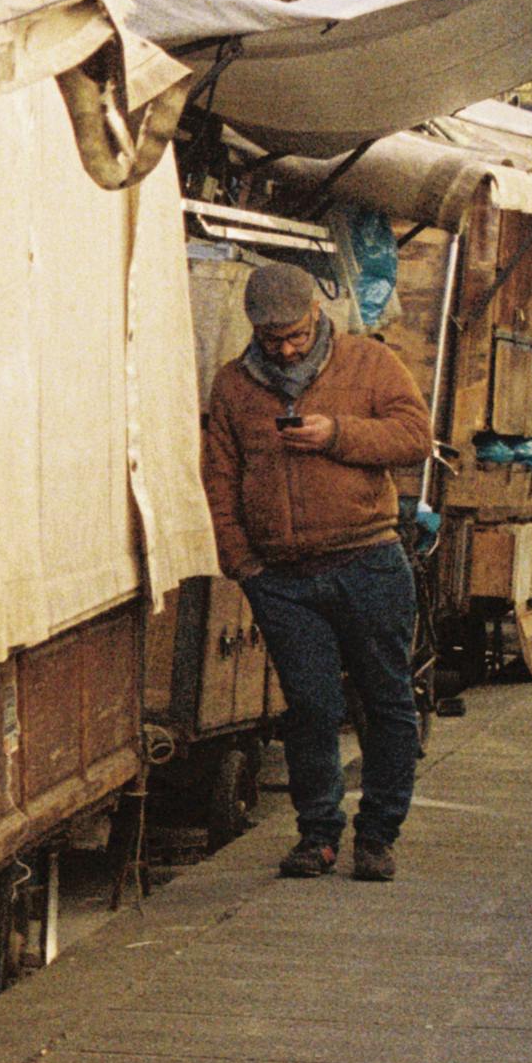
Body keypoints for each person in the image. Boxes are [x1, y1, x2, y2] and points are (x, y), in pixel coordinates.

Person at [199, 261, 434, 881]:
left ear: (316, 317)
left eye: (297, 336)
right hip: (283, 578)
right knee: (309, 706)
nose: (286, 349)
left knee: (386, 702)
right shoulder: (232, 386)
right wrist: (243, 563)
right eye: (273, 340)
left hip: (369, 560)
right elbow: (218, 480)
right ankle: (318, 836)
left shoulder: (369, 362)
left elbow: (415, 437)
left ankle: (378, 835)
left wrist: (338, 434)